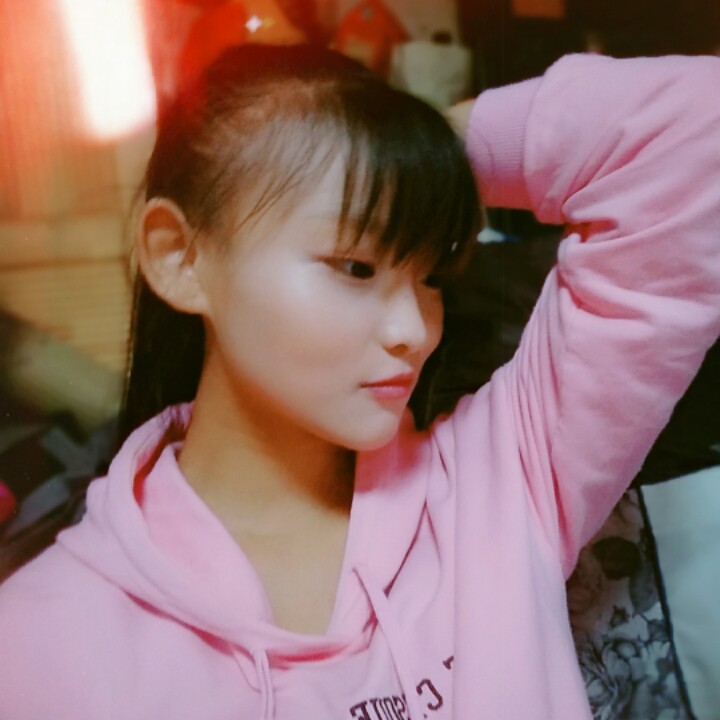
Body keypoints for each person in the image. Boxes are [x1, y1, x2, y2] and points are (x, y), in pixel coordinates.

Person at [0, 43, 718, 720]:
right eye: (356, 267)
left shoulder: (503, 481)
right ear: (181, 258)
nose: (415, 330)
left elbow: (697, 132)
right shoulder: (41, 642)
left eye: (430, 276)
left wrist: (411, 157)